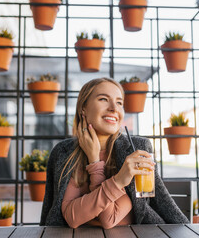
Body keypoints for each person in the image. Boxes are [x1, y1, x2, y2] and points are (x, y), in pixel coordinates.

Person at [40, 77, 189, 228]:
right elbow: (72, 218)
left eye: (119, 103)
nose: (114, 108)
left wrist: (94, 162)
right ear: (83, 108)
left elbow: (108, 219)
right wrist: (115, 178)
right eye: (104, 99)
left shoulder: (135, 149)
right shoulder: (64, 152)